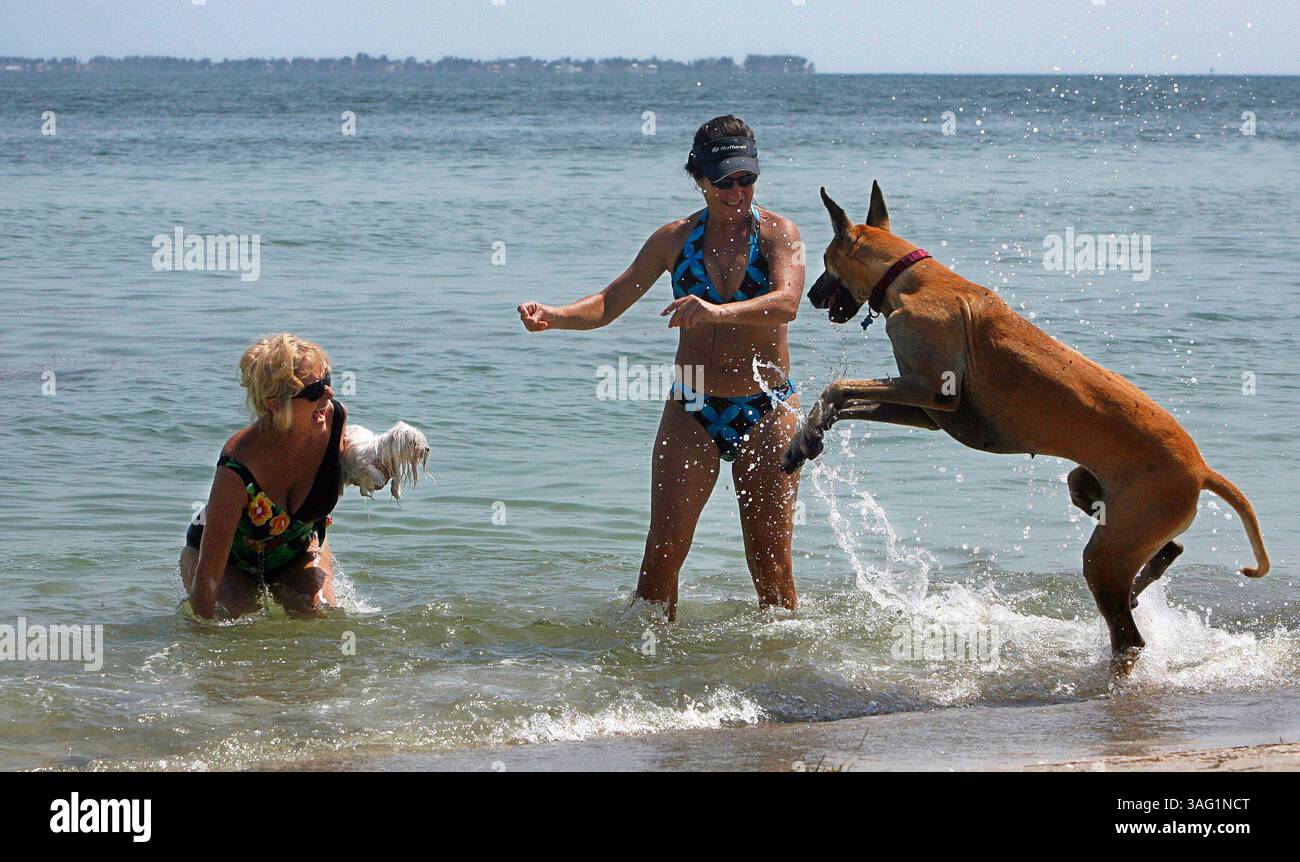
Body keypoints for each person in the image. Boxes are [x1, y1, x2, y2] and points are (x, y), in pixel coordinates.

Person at [517, 115, 805, 619]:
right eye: (724, 182)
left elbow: (787, 302)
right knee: (662, 554)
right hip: (692, 404)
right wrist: (554, 317)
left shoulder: (780, 233)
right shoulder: (674, 239)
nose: (737, 192)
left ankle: (785, 682)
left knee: (771, 565)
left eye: (747, 179)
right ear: (698, 178)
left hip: (768, 406)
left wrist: (717, 311)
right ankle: (647, 677)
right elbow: (610, 302)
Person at [178, 334, 365, 618]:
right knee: (236, 620)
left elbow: (352, 460)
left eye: (327, 381)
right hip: (230, 561)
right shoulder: (237, 468)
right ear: (275, 405)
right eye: (315, 390)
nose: (329, 394)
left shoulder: (333, 420)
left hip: (297, 552)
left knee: (316, 617)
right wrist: (199, 639)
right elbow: (209, 573)